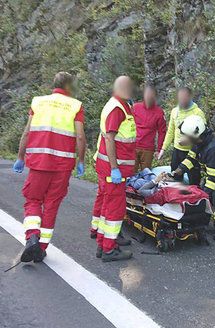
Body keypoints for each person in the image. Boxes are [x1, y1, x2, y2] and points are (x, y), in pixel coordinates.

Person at [12, 72, 86, 263]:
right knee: (52, 204)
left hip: (39, 163)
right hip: (62, 166)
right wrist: (81, 161)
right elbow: (80, 137)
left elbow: (27, 132)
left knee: (33, 200)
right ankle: (41, 249)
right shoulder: (75, 106)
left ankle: (32, 237)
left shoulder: (38, 102)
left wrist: (21, 156)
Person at [169, 115, 215, 240]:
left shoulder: (213, 149)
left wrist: (204, 193)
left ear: (195, 136)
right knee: (206, 197)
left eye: (186, 136)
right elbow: (191, 158)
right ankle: (203, 223)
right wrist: (179, 170)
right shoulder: (200, 141)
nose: (184, 138)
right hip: (214, 172)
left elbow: (213, 177)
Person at [93, 76, 136, 262]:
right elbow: (110, 139)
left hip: (114, 168)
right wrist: (114, 168)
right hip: (113, 170)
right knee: (115, 209)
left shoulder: (121, 105)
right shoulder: (117, 108)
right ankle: (109, 250)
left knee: (108, 206)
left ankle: (103, 243)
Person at [159, 87, 205, 185]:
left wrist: (189, 141)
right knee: (176, 177)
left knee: (194, 181)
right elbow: (170, 131)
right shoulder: (175, 111)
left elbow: (202, 135)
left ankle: (196, 196)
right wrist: (163, 148)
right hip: (177, 150)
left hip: (192, 151)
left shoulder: (197, 112)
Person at [133, 85, 166, 172]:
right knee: (130, 174)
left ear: (155, 97)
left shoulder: (159, 112)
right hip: (133, 146)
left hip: (148, 149)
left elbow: (162, 132)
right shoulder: (135, 107)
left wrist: (159, 149)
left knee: (146, 174)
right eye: (147, 95)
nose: (148, 97)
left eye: (151, 95)